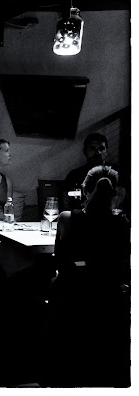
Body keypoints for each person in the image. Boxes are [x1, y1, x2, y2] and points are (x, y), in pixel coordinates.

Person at [43, 165, 130, 386]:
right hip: (106, 297)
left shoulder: (67, 218)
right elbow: (120, 266)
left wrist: (81, 267)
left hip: (71, 295)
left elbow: (61, 260)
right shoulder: (122, 223)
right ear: (115, 195)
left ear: (84, 189)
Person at [62, 133, 127, 212]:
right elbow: (66, 205)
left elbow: (121, 203)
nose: (97, 152)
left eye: (101, 148)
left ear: (106, 151)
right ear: (85, 151)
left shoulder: (118, 173)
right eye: (92, 148)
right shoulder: (74, 175)